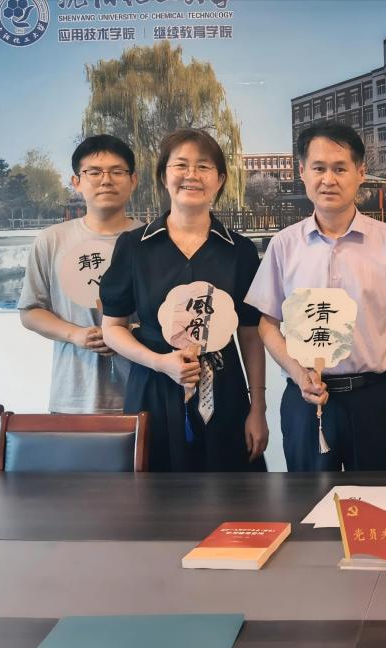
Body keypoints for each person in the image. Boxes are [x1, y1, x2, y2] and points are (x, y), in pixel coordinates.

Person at [245, 121, 386, 471]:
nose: (328, 179)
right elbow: (267, 324)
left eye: (340, 169)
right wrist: (299, 374)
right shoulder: (284, 245)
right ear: (302, 172)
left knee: (377, 500)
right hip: (305, 399)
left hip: (373, 400)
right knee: (308, 500)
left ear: (360, 173)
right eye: (318, 168)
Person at [100, 128, 268, 471]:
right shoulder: (134, 247)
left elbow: (251, 335)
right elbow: (112, 328)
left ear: (220, 180)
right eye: (181, 165)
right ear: (164, 176)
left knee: (230, 492)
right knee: (156, 494)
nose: (191, 174)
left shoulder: (239, 251)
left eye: (203, 166)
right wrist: (159, 362)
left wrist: (258, 408)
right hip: (153, 388)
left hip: (224, 389)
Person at [18, 135, 140, 413]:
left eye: (117, 171)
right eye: (94, 172)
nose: (106, 180)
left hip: (141, 393)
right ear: (76, 182)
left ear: (133, 180)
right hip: (72, 397)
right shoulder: (51, 240)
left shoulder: (152, 241)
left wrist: (125, 333)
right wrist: (75, 335)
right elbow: (30, 311)